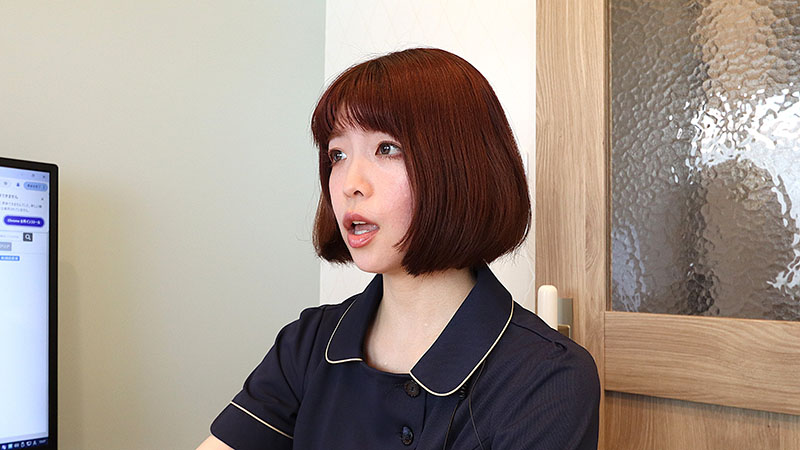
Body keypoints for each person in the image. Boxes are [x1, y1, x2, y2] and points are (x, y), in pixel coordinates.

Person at [197, 48, 599, 450]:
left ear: (462, 165)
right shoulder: (309, 343)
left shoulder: (547, 376)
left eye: (386, 148)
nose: (349, 184)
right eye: (338, 154)